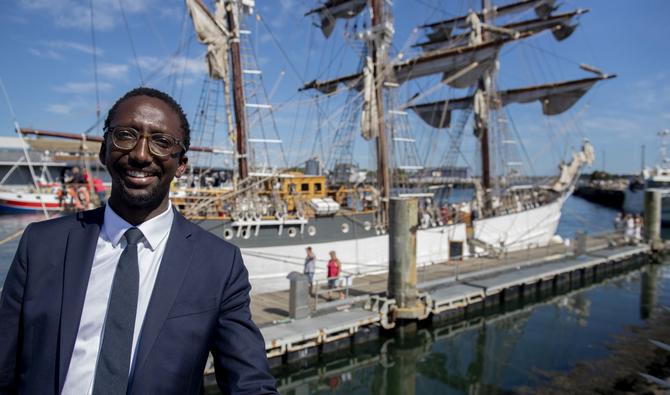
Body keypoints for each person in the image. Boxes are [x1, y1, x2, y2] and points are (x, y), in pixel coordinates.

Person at [0, 87, 277, 394]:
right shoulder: (41, 245)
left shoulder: (219, 264)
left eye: (161, 142)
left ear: (182, 164)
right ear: (104, 150)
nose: (141, 155)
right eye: (126, 135)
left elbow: (248, 382)